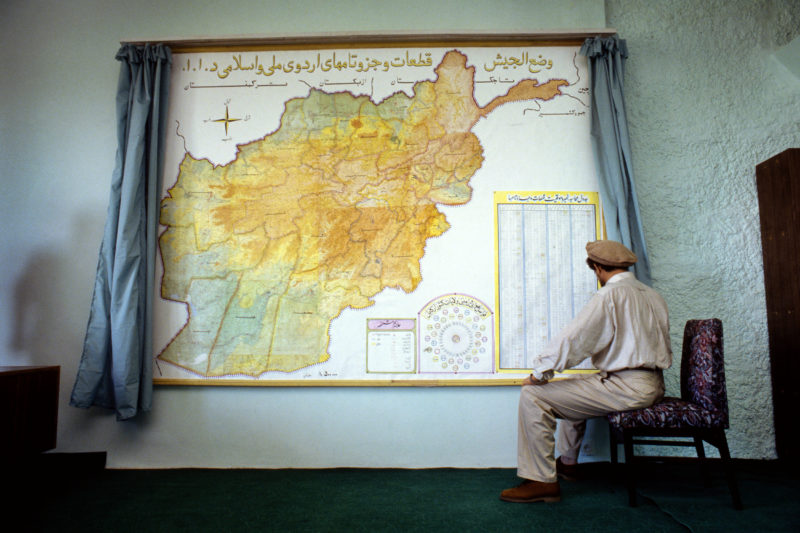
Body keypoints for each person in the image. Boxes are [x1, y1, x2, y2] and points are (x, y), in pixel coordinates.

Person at [500, 240, 672, 503]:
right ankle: (568, 462)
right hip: (653, 384)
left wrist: (539, 373)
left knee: (535, 396)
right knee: (572, 389)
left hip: (628, 387)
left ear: (598, 268)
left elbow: (576, 339)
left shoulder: (609, 295)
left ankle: (541, 481)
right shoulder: (652, 295)